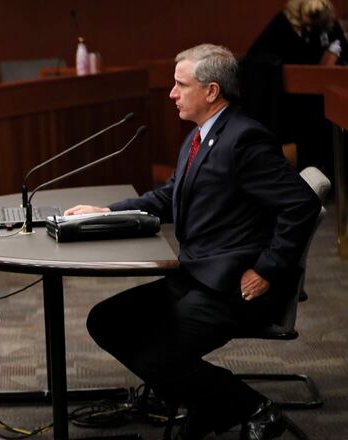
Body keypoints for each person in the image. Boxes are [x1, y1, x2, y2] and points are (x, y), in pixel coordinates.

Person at [66, 44, 321, 440]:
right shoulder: (200, 136)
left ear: (212, 91)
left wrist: (268, 268)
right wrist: (107, 212)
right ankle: (209, 403)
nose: (171, 93)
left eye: (180, 85)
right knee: (106, 321)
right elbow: (169, 197)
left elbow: (301, 204)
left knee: (158, 355)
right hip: (197, 276)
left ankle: (253, 407)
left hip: (234, 286)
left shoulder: (245, 139)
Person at [240, 0, 347, 175]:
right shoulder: (283, 23)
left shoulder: (327, 23)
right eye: (309, 20)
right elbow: (259, 58)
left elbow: (339, 45)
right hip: (292, 99)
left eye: (316, 21)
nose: (312, 26)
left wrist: (334, 52)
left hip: (323, 97)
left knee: (327, 140)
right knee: (303, 143)